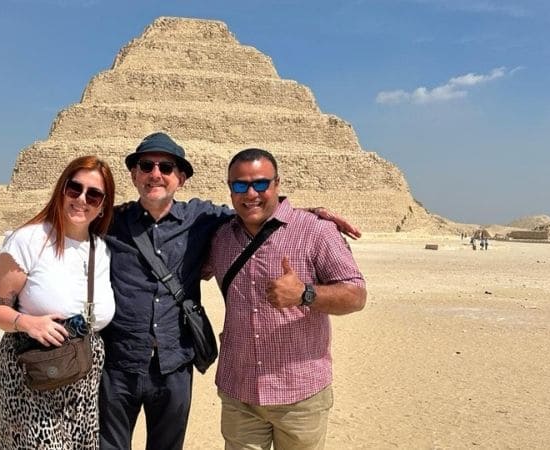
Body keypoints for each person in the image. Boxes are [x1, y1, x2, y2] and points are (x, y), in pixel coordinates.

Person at [99, 133, 361, 450]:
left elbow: (355, 292)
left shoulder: (207, 222)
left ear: (180, 178)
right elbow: (65, 217)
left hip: (279, 388)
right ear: (134, 173)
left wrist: (306, 286)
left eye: (166, 167)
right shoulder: (110, 221)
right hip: (131, 367)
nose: (156, 173)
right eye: (147, 165)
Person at [202, 148, 367, 450]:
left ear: (277, 183)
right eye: (240, 185)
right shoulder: (220, 237)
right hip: (240, 392)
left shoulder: (315, 231)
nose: (251, 193)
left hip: (300, 395)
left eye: (261, 184)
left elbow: (356, 295)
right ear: (229, 189)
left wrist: (305, 293)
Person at [0, 155, 117, 449]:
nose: (82, 199)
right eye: (75, 188)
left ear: (103, 205)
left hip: (84, 375)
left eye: (93, 194)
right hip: (35, 372)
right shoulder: (28, 240)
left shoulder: (102, 250)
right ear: (61, 189)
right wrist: (27, 322)